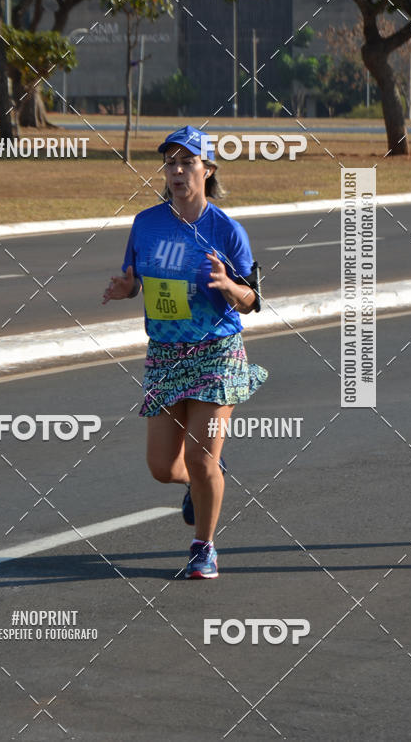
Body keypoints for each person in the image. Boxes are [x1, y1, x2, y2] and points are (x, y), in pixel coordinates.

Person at [102, 125, 267, 579]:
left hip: (217, 352)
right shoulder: (146, 223)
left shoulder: (226, 230)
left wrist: (228, 284)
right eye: (170, 163)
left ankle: (203, 547)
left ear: (207, 169)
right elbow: (136, 280)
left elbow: (252, 300)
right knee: (161, 467)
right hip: (165, 354)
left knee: (199, 457)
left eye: (187, 162)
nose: (177, 171)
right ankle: (207, 475)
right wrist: (125, 288)